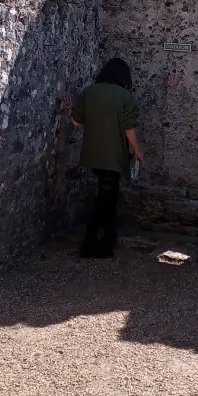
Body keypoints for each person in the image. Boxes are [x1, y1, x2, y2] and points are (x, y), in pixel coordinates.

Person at [63, 58, 144, 259]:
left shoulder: (89, 92)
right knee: (105, 199)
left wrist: (68, 108)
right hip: (114, 155)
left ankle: (106, 239)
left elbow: (76, 121)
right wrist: (137, 151)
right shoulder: (126, 97)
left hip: (93, 154)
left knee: (107, 197)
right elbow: (129, 128)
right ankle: (93, 243)